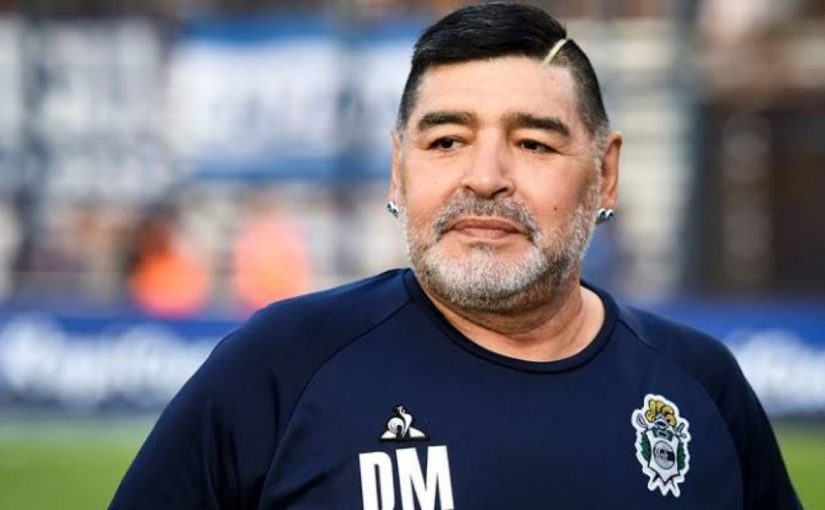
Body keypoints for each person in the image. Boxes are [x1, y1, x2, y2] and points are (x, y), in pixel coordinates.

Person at [111, 3, 801, 509]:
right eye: (446, 142)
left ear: (605, 173)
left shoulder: (700, 386)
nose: (485, 177)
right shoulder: (279, 368)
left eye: (533, 143)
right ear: (397, 169)